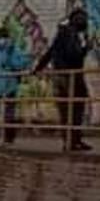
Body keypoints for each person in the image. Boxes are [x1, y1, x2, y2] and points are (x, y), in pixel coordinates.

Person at [34, 9, 93, 151]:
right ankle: (73, 141)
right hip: (70, 77)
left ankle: (71, 141)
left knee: (68, 110)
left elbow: (50, 52)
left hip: (61, 76)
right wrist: (86, 48)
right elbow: (74, 56)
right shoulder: (72, 34)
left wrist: (38, 68)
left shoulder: (62, 32)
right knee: (75, 108)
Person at [0, 27, 29, 146]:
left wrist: (10, 56)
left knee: (9, 113)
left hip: (10, 84)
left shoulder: (14, 50)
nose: (1, 40)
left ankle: (8, 139)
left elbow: (21, 64)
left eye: (4, 38)